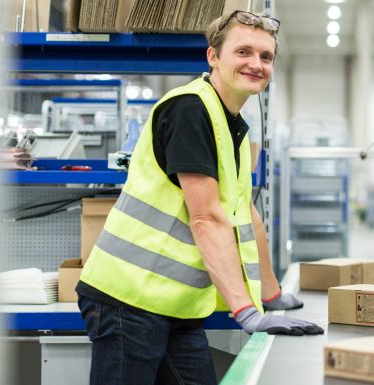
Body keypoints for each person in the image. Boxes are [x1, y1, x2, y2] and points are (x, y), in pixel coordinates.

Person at [76, 10, 323, 385]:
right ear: (213, 57)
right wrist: (246, 313)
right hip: (129, 298)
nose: (256, 64)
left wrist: (270, 294)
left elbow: (247, 216)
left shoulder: (232, 125)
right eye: (243, 52)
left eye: (265, 56)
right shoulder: (190, 109)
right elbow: (206, 218)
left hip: (177, 305)